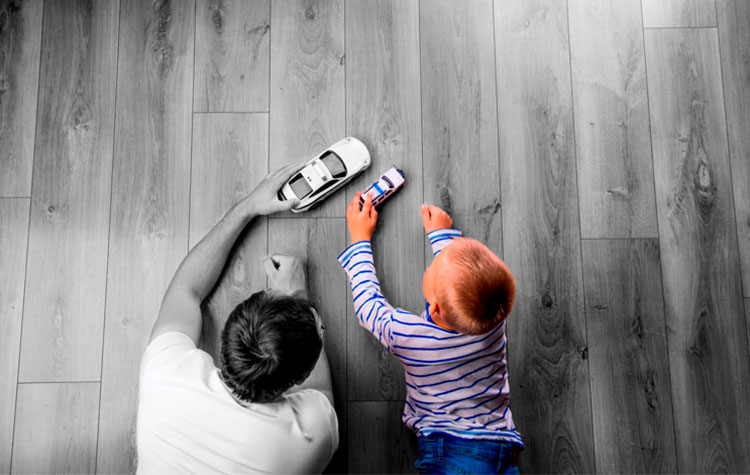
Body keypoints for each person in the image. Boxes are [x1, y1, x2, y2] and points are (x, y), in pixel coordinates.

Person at [136, 163, 338, 474]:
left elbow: (185, 291)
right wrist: (297, 295)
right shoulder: (309, 437)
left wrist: (248, 207)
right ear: (297, 381)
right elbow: (322, 395)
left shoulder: (165, 374)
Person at [339, 192, 522, 474]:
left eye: (433, 267)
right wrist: (442, 236)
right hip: (500, 440)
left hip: (451, 451)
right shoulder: (493, 318)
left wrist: (359, 238)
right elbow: (467, 284)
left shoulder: (408, 337)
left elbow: (368, 306)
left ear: (434, 307)